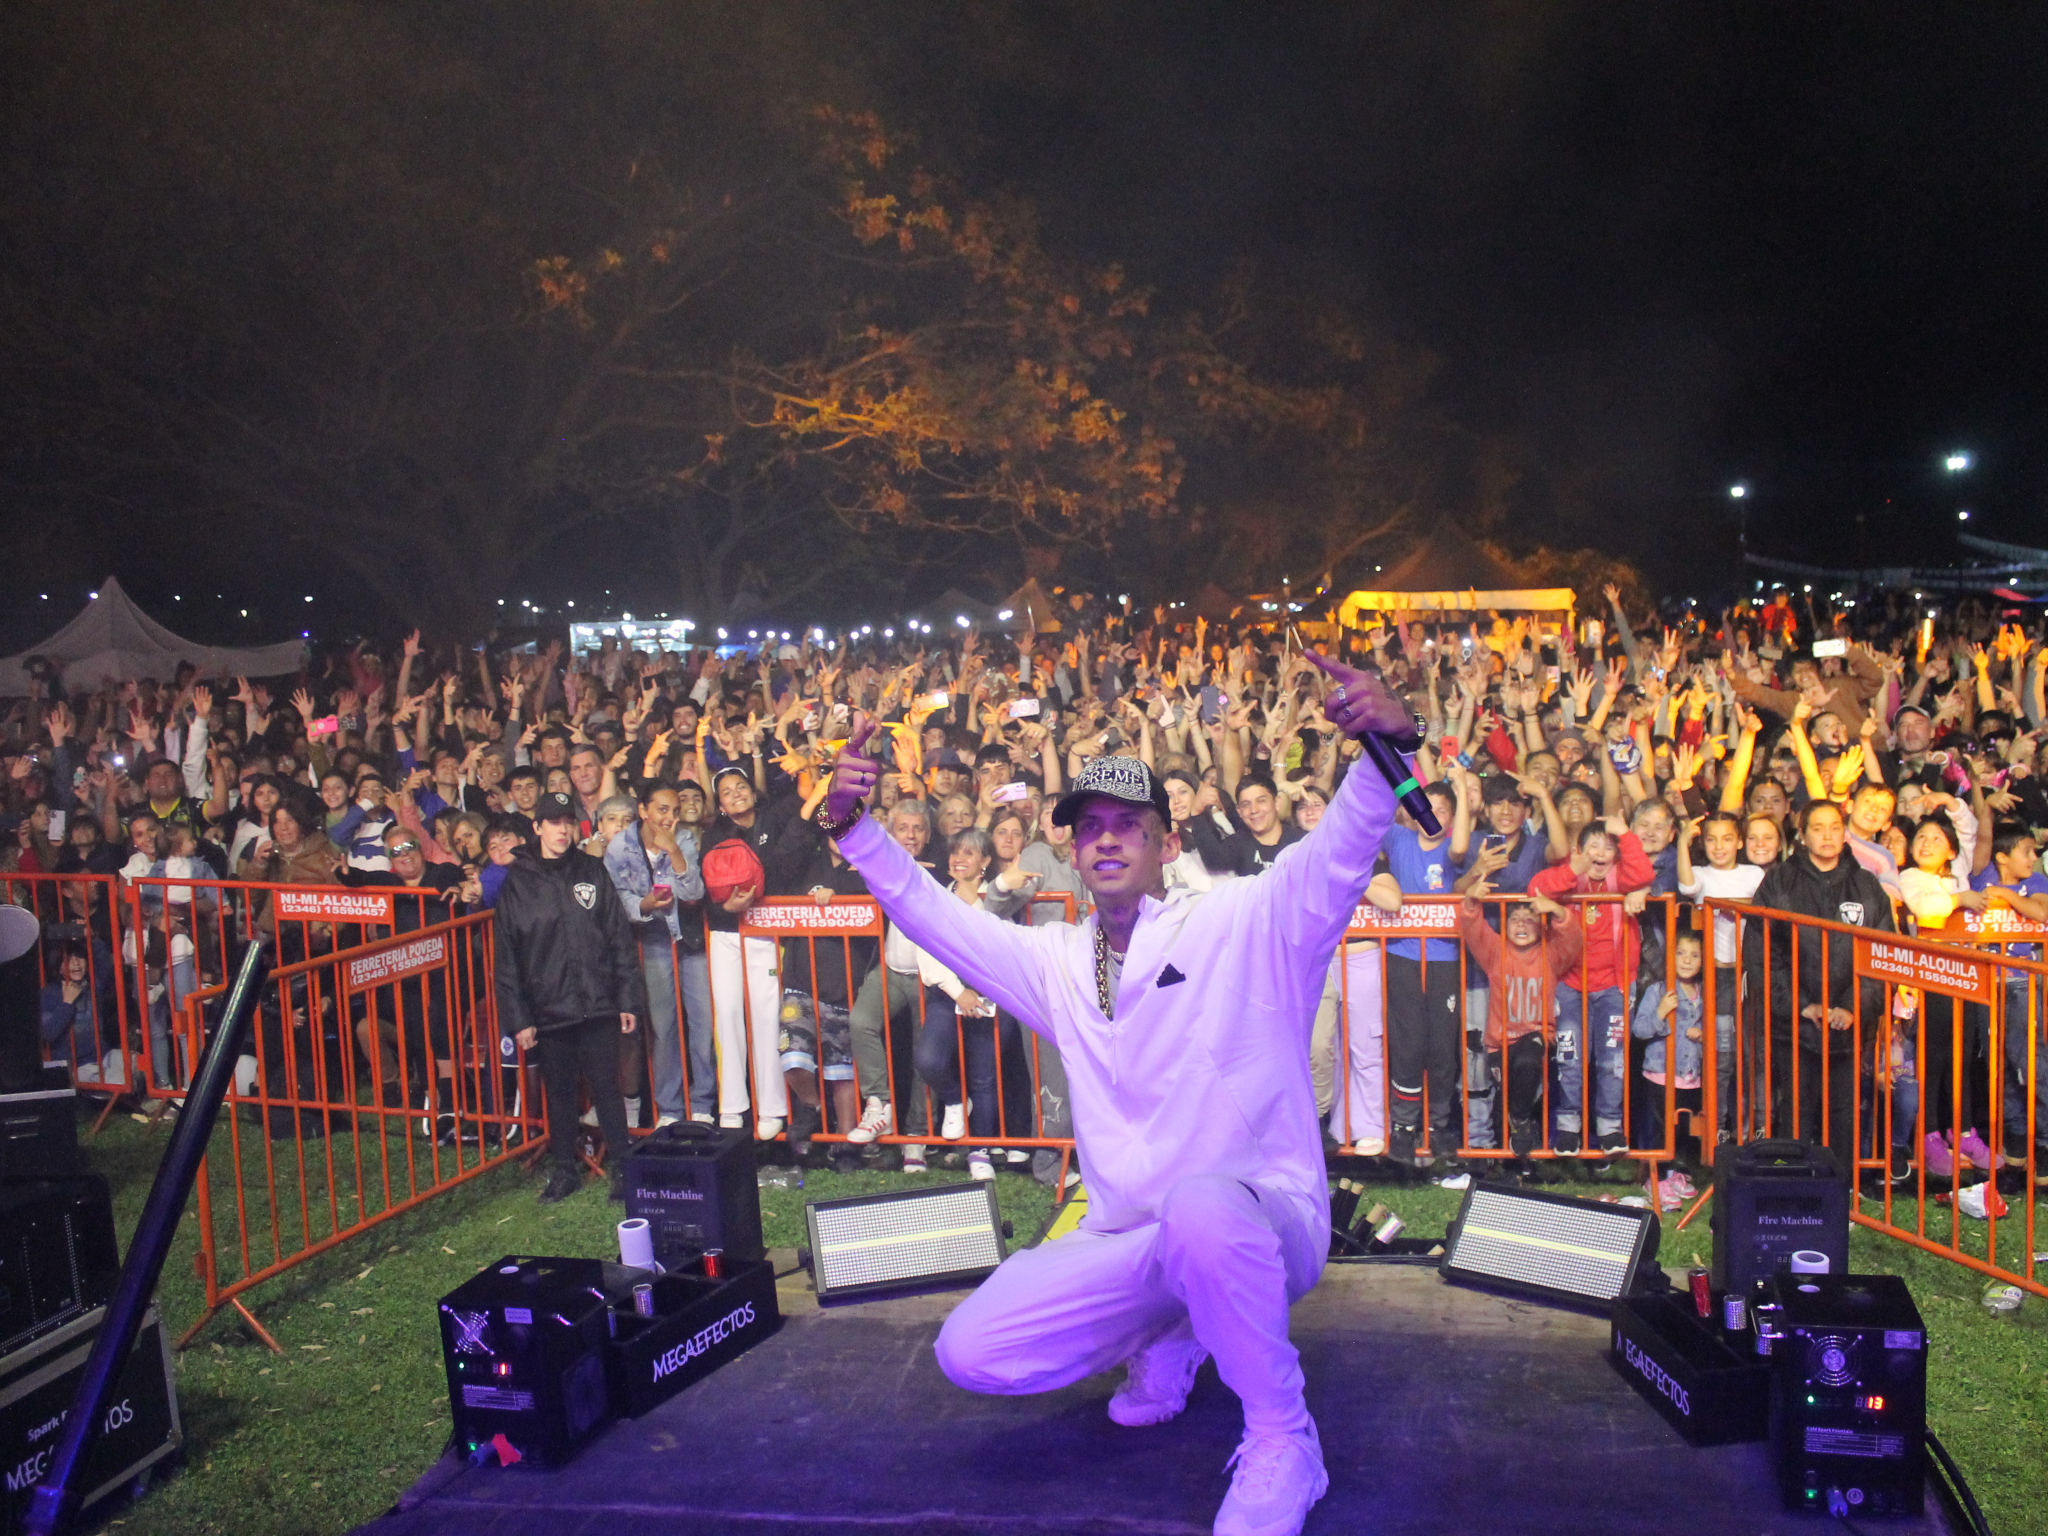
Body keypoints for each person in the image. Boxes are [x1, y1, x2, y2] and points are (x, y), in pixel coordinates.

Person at [818, 648, 1409, 1536]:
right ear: (1070, 845)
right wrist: (855, 828)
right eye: (1089, 824)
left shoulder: (1243, 921)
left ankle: (1285, 1438)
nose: (1104, 838)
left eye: (1128, 825)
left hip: (1265, 1223)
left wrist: (1385, 754)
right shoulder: (1059, 962)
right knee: (971, 1349)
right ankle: (1174, 1332)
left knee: (1202, 1211)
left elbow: (1334, 859)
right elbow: (936, 917)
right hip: (1134, 1238)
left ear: (1167, 844)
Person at [492, 792, 648, 1203]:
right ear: (537, 828)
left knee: (607, 1089)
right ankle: (564, 1170)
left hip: (597, 1002)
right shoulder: (517, 882)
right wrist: (519, 1018)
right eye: (554, 822)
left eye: (568, 822)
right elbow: (507, 957)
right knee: (559, 1093)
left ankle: (624, 1168)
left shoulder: (592, 870)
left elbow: (618, 938)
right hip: (548, 1008)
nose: (562, 830)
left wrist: (627, 999)